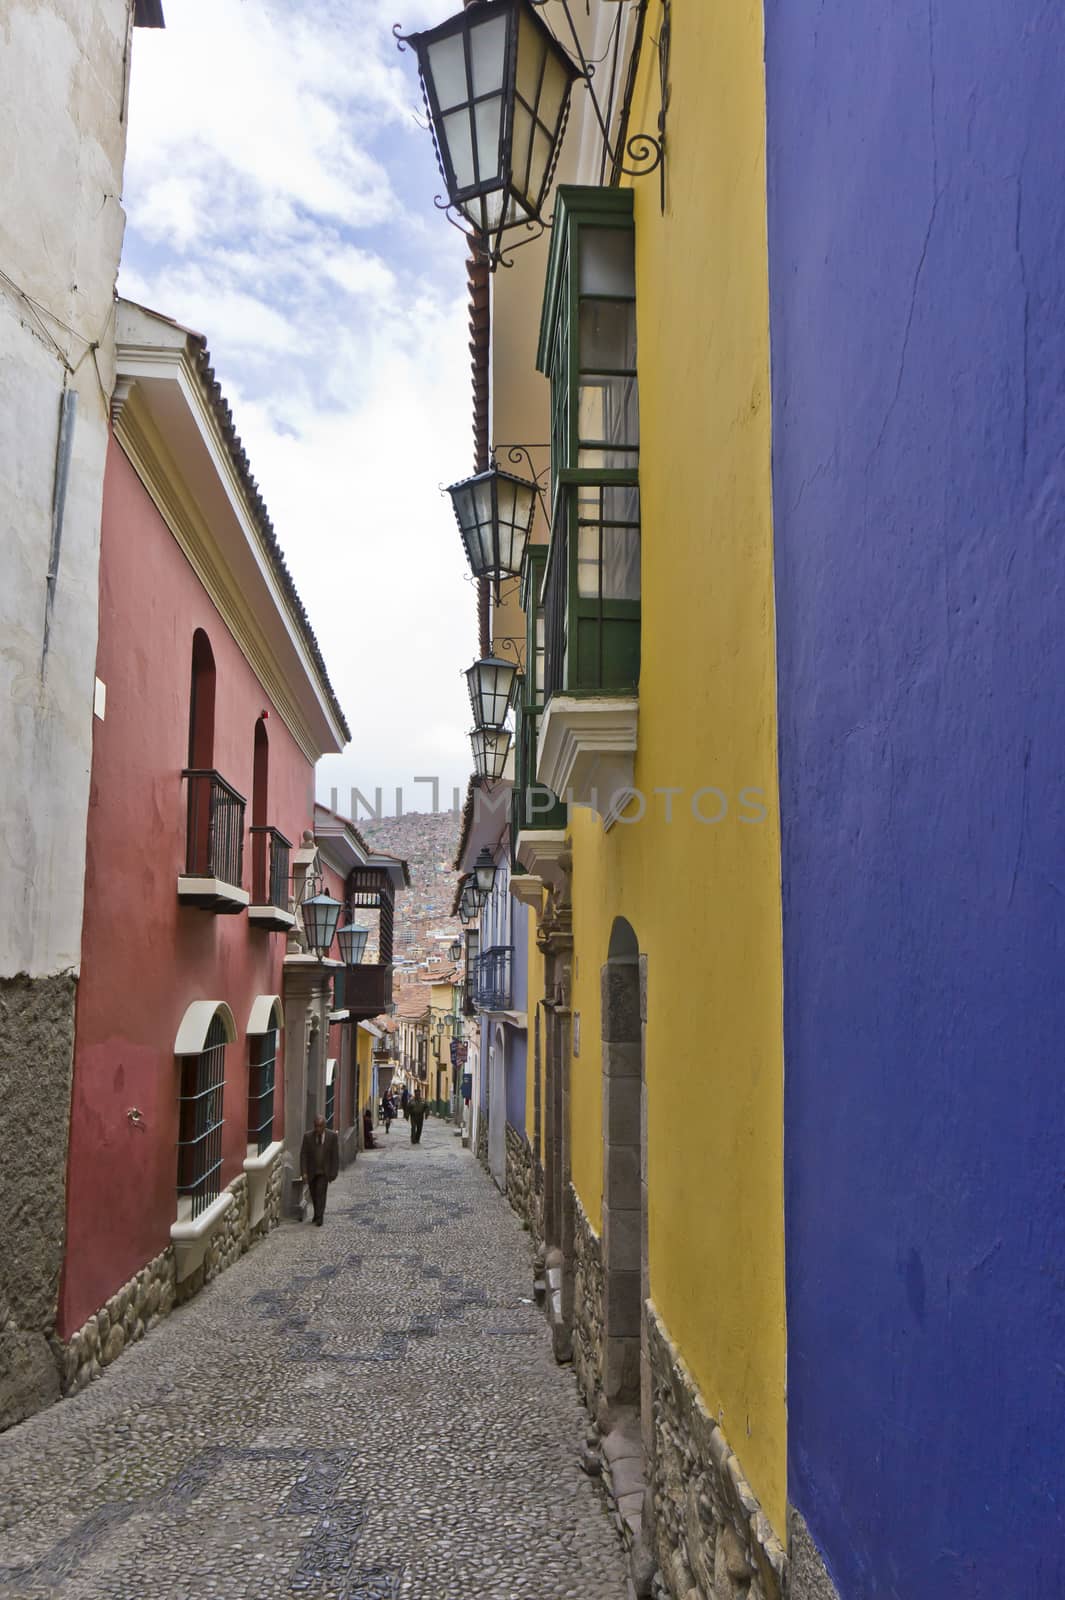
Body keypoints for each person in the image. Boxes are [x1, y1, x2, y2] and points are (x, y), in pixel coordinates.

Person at [300, 1114, 339, 1226]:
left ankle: (320, 1218)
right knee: (313, 1194)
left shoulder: (332, 1136)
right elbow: (303, 1155)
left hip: (323, 1172)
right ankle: (317, 1214)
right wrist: (304, 1172)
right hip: (312, 1171)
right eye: (316, 1126)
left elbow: (335, 1156)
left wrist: (334, 1172)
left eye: (320, 1126)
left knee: (321, 1193)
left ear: (324, 1126)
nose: (318, 1129)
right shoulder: (308, 1137)